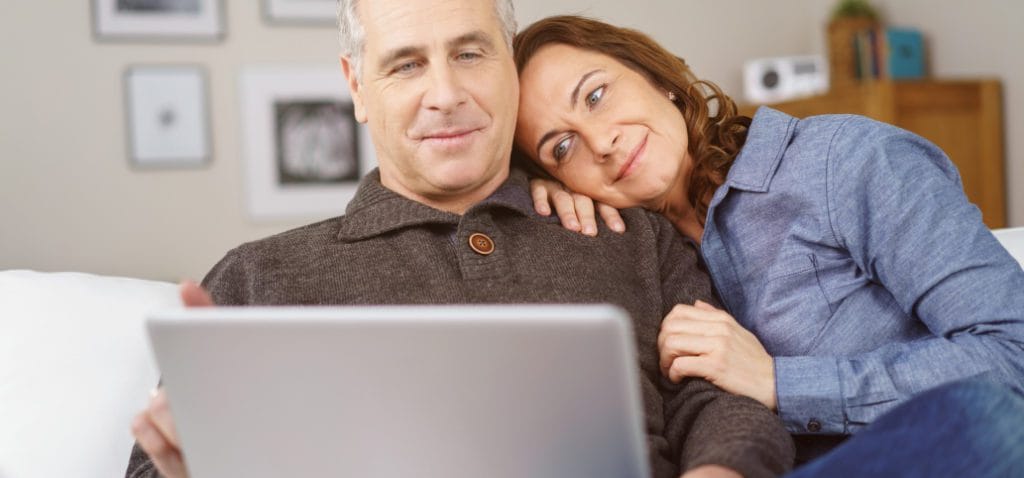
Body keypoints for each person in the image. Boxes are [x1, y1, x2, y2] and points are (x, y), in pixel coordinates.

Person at [124, 2, 795, 478]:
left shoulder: (632, 235)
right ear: (358, 86)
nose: (444, 94)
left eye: (469, 53)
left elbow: (721, 397)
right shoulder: (256, 278)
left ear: (509, 65)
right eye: (406, 65)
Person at [511, 14, 1024, 463]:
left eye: (596, 96)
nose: (601, 144)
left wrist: (781, 384)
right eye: (562, 148)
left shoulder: (845, 161)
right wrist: (525, 197)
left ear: (655, 77)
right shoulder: (642, 265)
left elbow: (1012, 354)